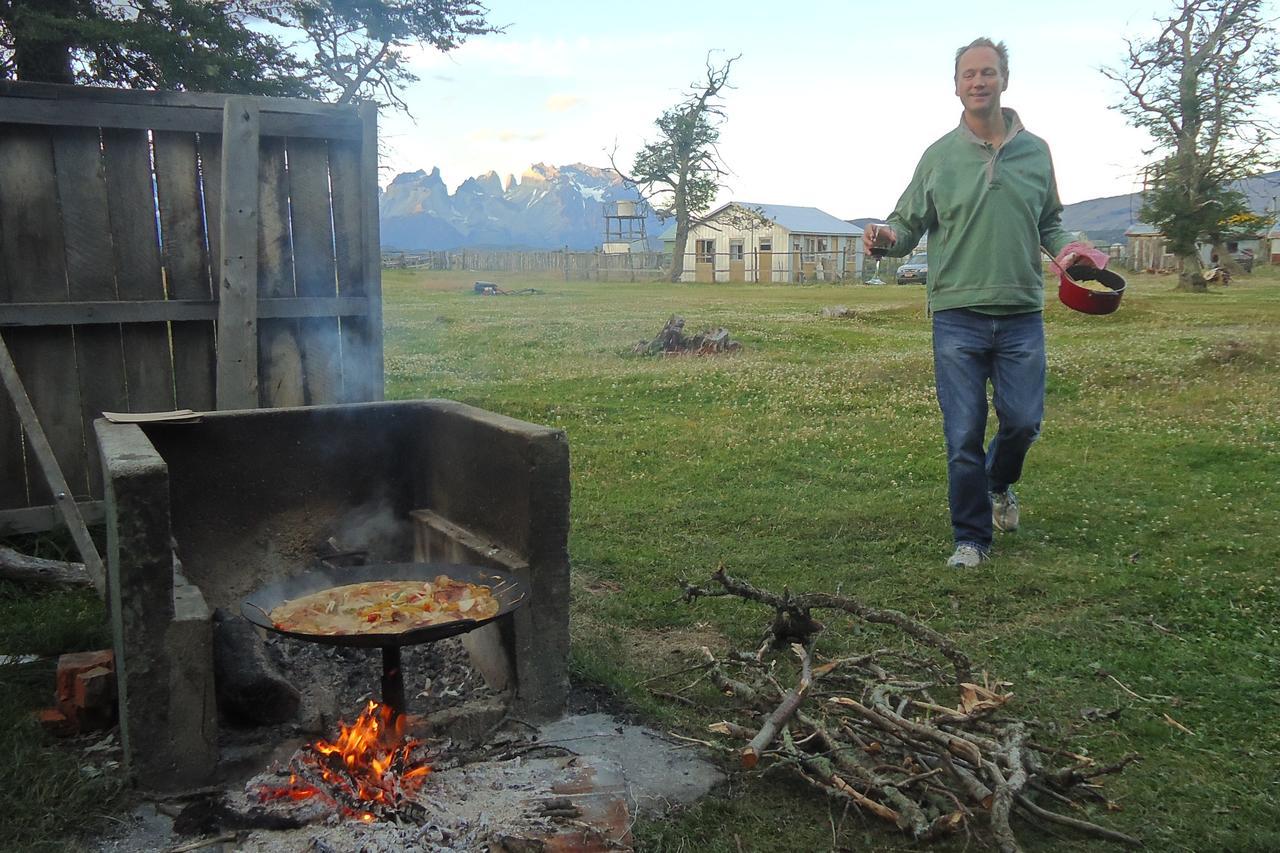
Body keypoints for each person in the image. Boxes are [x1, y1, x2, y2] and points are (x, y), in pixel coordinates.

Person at [863, 37, 1101, 569]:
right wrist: (883, 238)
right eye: (968, 74)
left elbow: (1050, 222)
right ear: (955, 86)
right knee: (963, 432)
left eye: (987, 72)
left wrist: (1069, 250)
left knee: (1022, 423)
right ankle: (970, 540)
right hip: (957, 315)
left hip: (1020, 312)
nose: (978, 82)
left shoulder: (1036, 151)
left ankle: (1000, 485)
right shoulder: (938, 157)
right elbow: (905, 226)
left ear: (1004, 80)